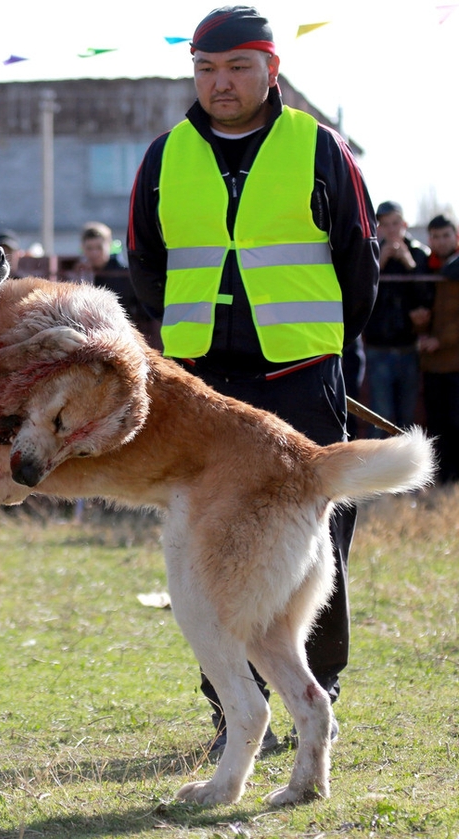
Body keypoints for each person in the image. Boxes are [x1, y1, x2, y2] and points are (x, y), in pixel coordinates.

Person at [126, 5, 379, 754]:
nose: (220, 83)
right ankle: (232, 707)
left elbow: (358, 264)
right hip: (204, 386)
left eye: (237, 67)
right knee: (209, 548)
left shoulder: (321, 149)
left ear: (271, 68)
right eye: (206, 69)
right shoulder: (164, 155)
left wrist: (324, 346)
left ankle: (315, 692)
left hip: (302, 375)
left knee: (314, 541)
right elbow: (148, 265)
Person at [362, 201, 433, 434]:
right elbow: (363, 294)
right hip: (378, 346)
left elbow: (426, 298)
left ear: (404, 224)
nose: (391, 230)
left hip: (408, 346)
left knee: (407, 415)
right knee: (380, 414)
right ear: (379, 228)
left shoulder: (419, 253)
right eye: (385, 225)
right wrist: (379, 263)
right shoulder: (370, 252)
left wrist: (410, 265)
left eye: (395, 224)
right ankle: (379, 470)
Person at [417, 214, 459, 483]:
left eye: (446, 235)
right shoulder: (424, 266)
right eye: (436, 236)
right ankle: (441, 478)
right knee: (436, 422)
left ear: (456, 236)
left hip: (455, 361)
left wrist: (440, 340)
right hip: (430, 364)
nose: (441, 241)